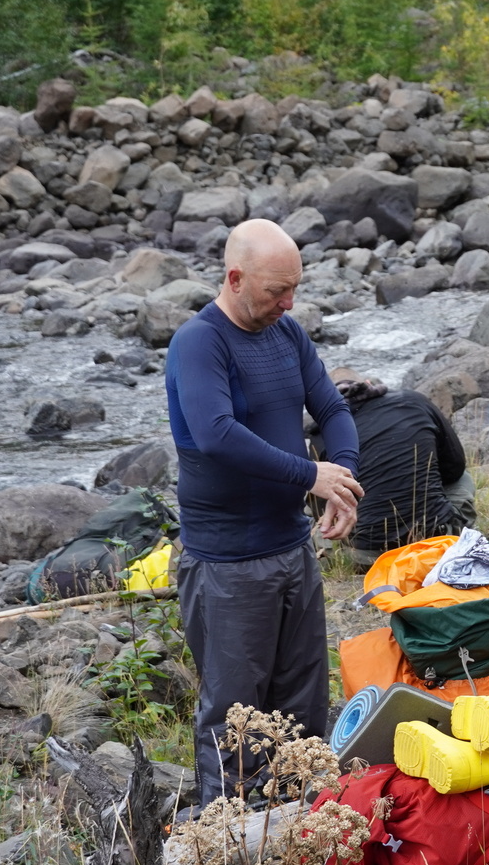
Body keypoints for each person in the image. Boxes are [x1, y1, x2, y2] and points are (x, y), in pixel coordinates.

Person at [166, 219, 363, 804]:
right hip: (226, 566)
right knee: (235, 719)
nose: (289, 301)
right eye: (278, 290)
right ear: (234, 278)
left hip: (291, 551)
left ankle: (303, 836)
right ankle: (226, 854)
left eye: (295, 287)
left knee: (303, 704)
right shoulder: (200, 342)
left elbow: (332, 408)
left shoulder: (288, 334)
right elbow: (217, 434)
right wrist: (310, 474)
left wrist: (342, 480)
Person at [324, 368, 471, 557]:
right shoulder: (414, 400)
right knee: (463, 479)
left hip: (365, 552)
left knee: (316, 502)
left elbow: (325, 500)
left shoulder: (322, 427)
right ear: (369, 384)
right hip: (436, 538)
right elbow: (455, 467)